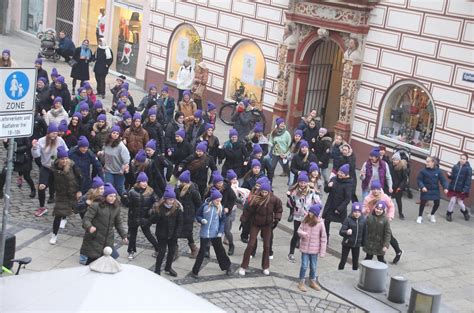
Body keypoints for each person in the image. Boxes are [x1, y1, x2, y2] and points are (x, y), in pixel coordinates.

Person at [238, 181, 282, 276]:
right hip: (255, 223)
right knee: (251, 244)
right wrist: (243, 219)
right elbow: (247, 210)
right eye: (263, 192)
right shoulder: (255, 199)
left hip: (267, 224)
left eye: (266, 192)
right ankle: (243, 266)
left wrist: (277, 219)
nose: (264, 194)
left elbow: (279, 209)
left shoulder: (274, 199)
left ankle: (265, 267)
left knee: (267, 246)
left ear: (269, 192)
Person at [80, 183, 128, 265]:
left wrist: (124, 236)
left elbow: (118, 223)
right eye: (110, 196)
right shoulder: (96, 205)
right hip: (94, 239)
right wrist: (89, 227)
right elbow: (86, 219)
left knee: (106, 264)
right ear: (105, 196)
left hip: (108, 240)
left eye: (114, 196)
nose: (113, 198)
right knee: (91, 263)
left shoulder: (116, 207)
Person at [192, 187, 232, 278]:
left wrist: (220, 232)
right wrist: (201, 220)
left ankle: (227, 266)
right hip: (204, 233)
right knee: (201, 252)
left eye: (220, 201)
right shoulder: (205, 206)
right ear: (213, 199)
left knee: (220, 251)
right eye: (217, 200)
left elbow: (222, 221)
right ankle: (195, 271)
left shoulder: (220, 208)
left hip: (215, 233)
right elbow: (198, 215)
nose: (219, 202)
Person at [31, 123, 69, 217]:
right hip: (46, 167)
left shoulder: (60, 140)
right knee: (41, 187)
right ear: (48, 133)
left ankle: (61, 207)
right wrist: (34, 147)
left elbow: (66, 151)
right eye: (52, 133)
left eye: (56, 133)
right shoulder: (41, 141)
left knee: (60, 188)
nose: (54, 135)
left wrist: (64, 162)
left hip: (58, 168)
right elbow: (36, 155)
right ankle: (42, 207)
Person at [362, 180, 403, 264]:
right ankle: (369, 255)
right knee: (371, 236)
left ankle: (398, 251)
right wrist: (365, 211)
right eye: (374, 189)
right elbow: (364, 207)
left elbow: (391, 207)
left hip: (382, 220)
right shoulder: (367, 198)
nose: (375, 191)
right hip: (372, 220)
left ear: (380, 189)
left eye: (377, 189)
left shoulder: (384, 197)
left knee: (388, 236)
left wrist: (390, 217)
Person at [146, 185, 183, 276]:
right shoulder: (159, 208)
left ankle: (168, 267)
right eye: (170, 199)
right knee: (161, 252)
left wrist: (177, 233)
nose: (172, 201)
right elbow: (153, 221)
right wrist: (155, 215)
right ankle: (157, 269)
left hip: (173, 234)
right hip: (162, 234)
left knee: (171, 252)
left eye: (173, 199)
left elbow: (180, 222)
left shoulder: (177, 209)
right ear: (165, 199)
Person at [122, 172, 160, 259]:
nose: (144, 183)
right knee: (132, 235)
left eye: (146, 181)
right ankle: (131, 251)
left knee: (148, 234)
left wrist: (153, 210)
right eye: (142, 182)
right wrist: (124, 198)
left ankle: (158, 248)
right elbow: (128, 204)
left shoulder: (150, 192)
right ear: (138, 182)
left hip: (145, 218)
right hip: (134, 217)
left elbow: (156, 202)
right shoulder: (132, 192)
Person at [49, 147, 82, 244]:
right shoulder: (54, 169)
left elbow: (80, 178)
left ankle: (90, 231)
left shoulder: (73, 166)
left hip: (73, 193)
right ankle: (54, 235)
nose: (64, 161)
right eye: (62, 159)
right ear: (59, 159)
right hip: (61, 195)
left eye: (66, 159)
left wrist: (79, 191)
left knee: (82, 211)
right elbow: (50, 181)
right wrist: (44, 185)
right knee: (58, 214)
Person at [287, 171, 320, 263]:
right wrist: (290, 198)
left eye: (304, 182)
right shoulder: (294, 191)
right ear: (298, 182)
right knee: (296, 235)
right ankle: (291, 253)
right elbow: (290, 205)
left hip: (308, 217)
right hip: (298, 216)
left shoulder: (311, 192)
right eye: (301, 182)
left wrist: (314, 211)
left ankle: (308, 253)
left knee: (309, 235)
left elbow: (318, 203)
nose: (302, 184)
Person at [297, 203, 326, 292]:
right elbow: (299, 230)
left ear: (316, 214)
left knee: (313, 266)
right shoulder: (305, 220)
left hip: (314, 249)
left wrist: (322, 251)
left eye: (312, 213)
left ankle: (312, 281)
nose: (310, 214)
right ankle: (301, 282)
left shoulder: (320, 224)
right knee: (304, 266)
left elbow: (323, 238)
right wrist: (303, 234)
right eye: (310, 211)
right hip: (305, 248)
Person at [322, 164, 353, 240]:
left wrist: (339, 209)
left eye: (342, 173)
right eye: (339, 172)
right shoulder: (333, 179)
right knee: (327, 221)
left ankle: (347, 237)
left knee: (345, 223)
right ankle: (326, 237)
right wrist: (328, 186)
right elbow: (326, 190)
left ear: (346, 174)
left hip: (340, 207)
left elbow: (347, 198)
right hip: (330, 205)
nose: (340, 174)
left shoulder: (348, 184)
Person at [175, 170, 202, 258]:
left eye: (181, 181)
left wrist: (196, 216)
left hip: (188, 215)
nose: (179, 182)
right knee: (175, 232)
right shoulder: (177, 189)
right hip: (178, 214)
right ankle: (175, 251)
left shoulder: (193, 191)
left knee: (188, 233)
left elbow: (198, 204)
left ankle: (194, 248)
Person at [416, 156, 448, 224]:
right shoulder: (423, 171)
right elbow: (419, 180)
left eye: (428, 162)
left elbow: (443, 181)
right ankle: (420, 216)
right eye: (426, 161)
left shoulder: (438, 171)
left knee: (437, 203)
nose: (426, 163)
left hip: (435, 190)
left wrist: (445, 188)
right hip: (425, 189)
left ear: (433, 162)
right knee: (423, 203)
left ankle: (432, 214)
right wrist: (422, 187)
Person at [101, 125, 130, 195]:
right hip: (108, 169)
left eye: (117, 134)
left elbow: (126, 160)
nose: (115, 135)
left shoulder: (121, 146)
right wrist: (101, 153)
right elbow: (104, 151)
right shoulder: (106, 143)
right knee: (108, 188)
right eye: (114, 133)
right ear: (110, 133)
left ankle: (124, 201)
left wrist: (123, 169)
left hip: (118, 171)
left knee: (119, 189)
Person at [338, 202, 367, 271]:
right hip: (347, 244)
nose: (357, 213)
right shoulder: (348, 219)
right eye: (355, 212)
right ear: (352, 212)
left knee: (355, 261)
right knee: (343, 260)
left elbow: (364, 233)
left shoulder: (363, 220)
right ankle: (339, 272)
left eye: (358, 212)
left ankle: (355, 273)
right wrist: (346, 232)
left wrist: (363, 243)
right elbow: (341, 232)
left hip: (356, 244)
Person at [447, 153, 472, 221]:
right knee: (452, 201)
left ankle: (465, 212)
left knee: (460, 203)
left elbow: (468, 180)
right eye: (461, 158)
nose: (462, 160)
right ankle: (449, 214)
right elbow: (453, 177)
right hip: (454, 188)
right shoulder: (455, 166)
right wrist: (449, 175)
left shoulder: (468, 169)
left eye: (464, 159)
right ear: (459, 158)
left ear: (466, 160)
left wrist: (465, 189)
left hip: (462, 189)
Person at [390, 153, 408, 219]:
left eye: (396, 160)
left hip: (398, 187)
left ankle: (400, 213)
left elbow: (404, 179)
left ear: (399, 161)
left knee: (398, 200)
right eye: (393, 160)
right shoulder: (390, 166)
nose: (394, 161)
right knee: (388, 199)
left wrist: (400, 187)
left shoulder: (402, 168)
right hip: (391, 186)